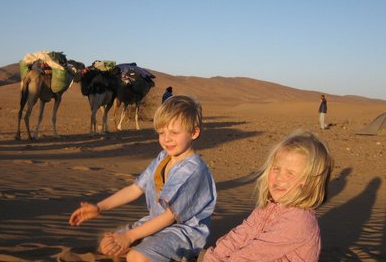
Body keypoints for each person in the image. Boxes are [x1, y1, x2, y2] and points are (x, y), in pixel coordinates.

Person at [69, 95, 217, 262]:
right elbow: (135, 189)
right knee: (108, 243)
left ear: (194, 132)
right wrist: (99, 207)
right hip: (155, 222)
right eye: (161, 132)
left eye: (174, 132)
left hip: (183, 231)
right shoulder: (163, 158)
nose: (166, 138)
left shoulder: (193, 170)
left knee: (136, 256)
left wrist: (130, 237)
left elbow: (169, 216)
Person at [202, 130, 333, 262]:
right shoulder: (266, 208)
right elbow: (239, 236)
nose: (279, 178)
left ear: (308, 182)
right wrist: (214, 257)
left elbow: (253, 254)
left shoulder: (299, 220)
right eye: (276, 168)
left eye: (290, 173)